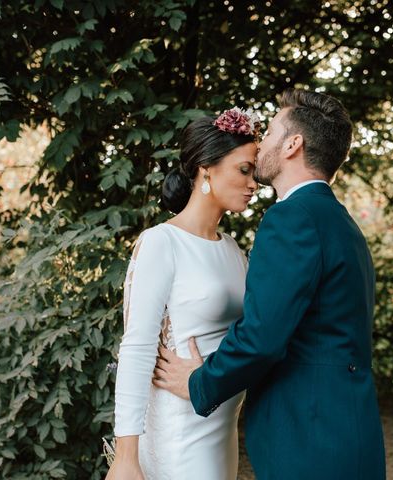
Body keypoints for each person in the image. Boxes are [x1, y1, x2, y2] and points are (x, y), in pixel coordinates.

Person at [153, 89, 386, 479]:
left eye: (273, 130)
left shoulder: (292, 218)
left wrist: (200, 382)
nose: (260, 144)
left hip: (309, 440)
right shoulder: (342, 224)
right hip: (350, 433)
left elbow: (262, 335)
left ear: (294, 144)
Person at [105, 108, 259, 480]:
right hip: (178, 434)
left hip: (221, 431)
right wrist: (126, 456)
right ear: (206, 169)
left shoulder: (234, 250)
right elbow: (138, 347)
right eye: (244, 169)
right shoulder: (162, 242)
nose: (254, 183)